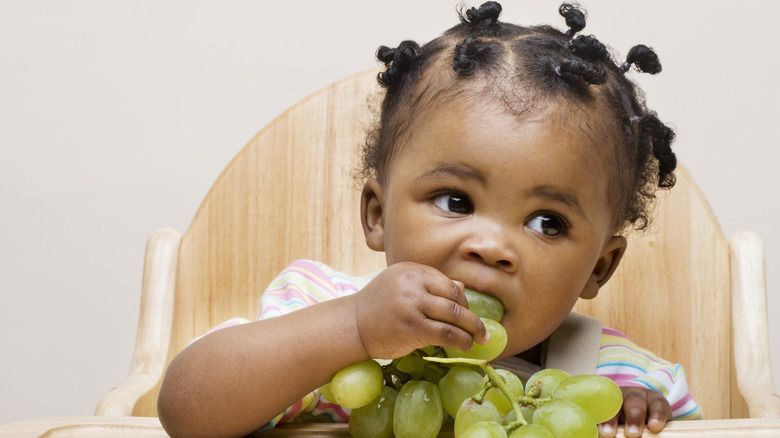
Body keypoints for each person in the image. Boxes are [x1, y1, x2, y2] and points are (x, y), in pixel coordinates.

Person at [157, 2, 702, 437]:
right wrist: (351, 328)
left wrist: (641, 421)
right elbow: (186, 410)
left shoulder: (617, 373)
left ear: (598, 268)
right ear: (377, 215)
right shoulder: (319, 310)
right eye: (456, 202)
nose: (491, 246)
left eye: (547, 223)